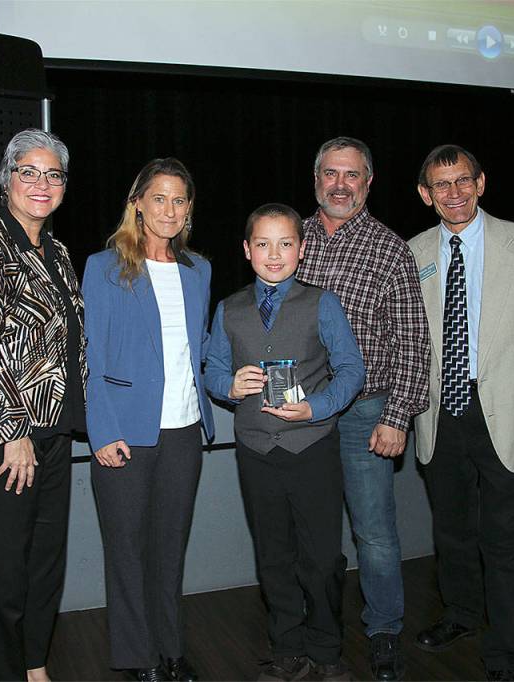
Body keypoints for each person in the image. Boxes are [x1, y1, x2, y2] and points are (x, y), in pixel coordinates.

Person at [407, 144, 514, 681]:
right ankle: (461, 614)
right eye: (441, 185)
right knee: (451, 532)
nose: (454, 193)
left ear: (481, 183)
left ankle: (504, 651)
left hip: (509, 416)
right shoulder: (415, 251)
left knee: (503, 542)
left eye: (463, 181)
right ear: (426, 195)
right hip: (440, 415)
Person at [205, 203, 365, 682]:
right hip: (257, 451)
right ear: (247, 250)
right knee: (273, 558)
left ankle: (326, 650)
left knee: (320, 559)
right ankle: (287, 649)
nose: (274, 254)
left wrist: (316, 407)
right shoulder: (229, 309)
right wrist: (229, 386)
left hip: (312, 448)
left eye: (285, 243)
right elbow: (212, 371)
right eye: (263, 244)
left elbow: (352, 368)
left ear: (301, 248)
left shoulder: (323, 303)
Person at [0, 129, 85, 681]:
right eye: (28, 171)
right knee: (5, 577)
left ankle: (34, 665)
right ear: (6, 180)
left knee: (44, 565)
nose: (41, 183)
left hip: (51, 432)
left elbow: (70, 345)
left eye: (53, 174)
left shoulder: (57, 251)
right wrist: (13, 428)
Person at [295, 136, 430, 681]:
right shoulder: (290, 238)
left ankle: (384, 632)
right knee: (311, 533)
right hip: (301, 413)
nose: (341, 185)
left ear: (369, 183)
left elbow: (414, 342)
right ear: (317, 180)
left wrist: (397, 417)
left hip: (364, 415)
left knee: (374, 533)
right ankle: (316, 628)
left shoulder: (389, 249)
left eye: (352, 175)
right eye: (331, 173)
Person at [82, 158, 215, 682]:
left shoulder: (199, 269)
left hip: (184, 431)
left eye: (179, 200)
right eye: (158, 198)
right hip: (125, 434)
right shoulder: (104, 266)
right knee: (127, 554)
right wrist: (103, 430)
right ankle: (138, 659)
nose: (169, 209)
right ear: (137, 202)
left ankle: (171, 649)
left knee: (169, 550)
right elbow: (87, 357)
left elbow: (199, 347)